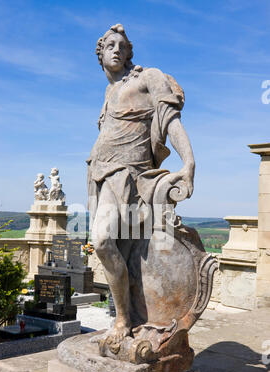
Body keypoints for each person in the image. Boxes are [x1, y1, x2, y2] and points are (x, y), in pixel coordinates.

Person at [88, 24, 195, 342]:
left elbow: (170, 120)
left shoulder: (147, 78)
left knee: (103, 241)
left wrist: (188, 162)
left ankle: (122, 320)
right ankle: (125, 318)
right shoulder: (108, 93)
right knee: (111, 247)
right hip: (101, 175)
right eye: (110, 45)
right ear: (101, 54)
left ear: (129, 52)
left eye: (122, 45)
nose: (117, 49)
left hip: (131, 177)